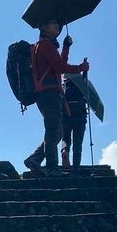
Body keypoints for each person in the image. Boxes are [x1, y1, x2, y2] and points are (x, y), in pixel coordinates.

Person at [24, 18, 89, 174]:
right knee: (54, 130)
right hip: (50, 93)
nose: (58, 26)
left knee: (57, 130)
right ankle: (52, 167)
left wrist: (66, 46)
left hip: (47, 93)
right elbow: (60, 66)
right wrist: (81, 67)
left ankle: (35, 159)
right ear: (44, 26)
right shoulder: (46, 45)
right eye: (54, 23)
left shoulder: (44, 45)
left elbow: (59, 64)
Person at [61, 74, 87, 169]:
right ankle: (76, 168)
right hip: (80, 116)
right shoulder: (82, 83)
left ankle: (65, 150)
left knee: (66, 138)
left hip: (65, 116)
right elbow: (87, 99)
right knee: (78, 144)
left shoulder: (64, 84)